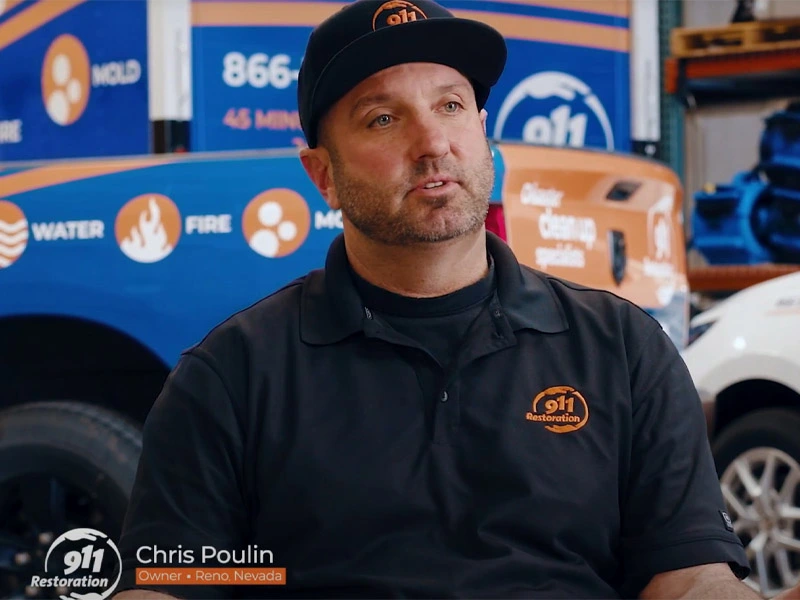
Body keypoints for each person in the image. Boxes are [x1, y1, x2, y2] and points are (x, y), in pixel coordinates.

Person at [112, 1, 800, 599]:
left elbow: (686, 576)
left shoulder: (623, 349)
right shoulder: (231, 378)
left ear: (484, 135)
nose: (433, 142)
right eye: (383, 118)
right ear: (323, 174)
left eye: (451, 105)